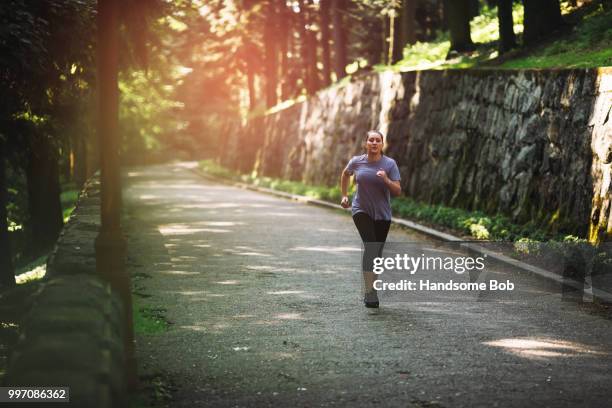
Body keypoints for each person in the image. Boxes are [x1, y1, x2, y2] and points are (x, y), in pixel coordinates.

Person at [340, 130, 401, 308]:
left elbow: (397, 190)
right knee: (371, 246)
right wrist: (344, 196)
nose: (374, 143)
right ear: (366, 143)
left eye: (378, 140)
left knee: (377, 254)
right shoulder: (356, 161)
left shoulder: (389, 164)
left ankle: (372, 287)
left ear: (382, 144)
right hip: (361, 210)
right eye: (371, 140)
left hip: (382, 214)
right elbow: (345, 174)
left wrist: (386, 179)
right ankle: (370, 292)